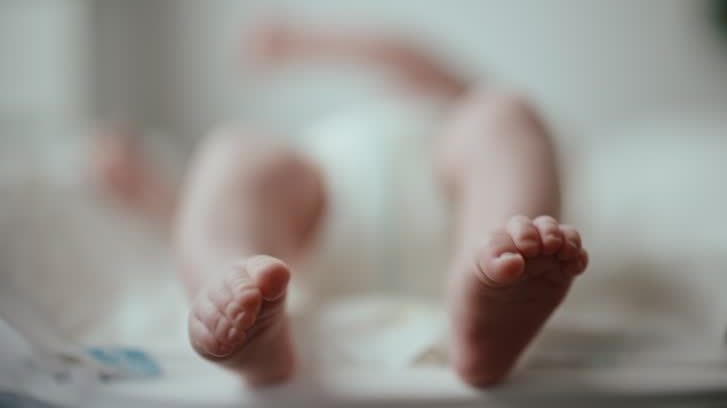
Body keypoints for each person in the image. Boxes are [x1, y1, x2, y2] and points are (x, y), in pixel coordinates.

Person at [93, 22, 588, 388]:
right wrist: (147, 186)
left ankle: (486, 293)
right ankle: (236, 289)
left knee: (505, 112)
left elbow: (410, 58)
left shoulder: (461, 113)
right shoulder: (318, 164)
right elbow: (217, 208)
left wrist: (307, 42)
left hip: (470, 220)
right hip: (312, 235)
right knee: (235, 154)